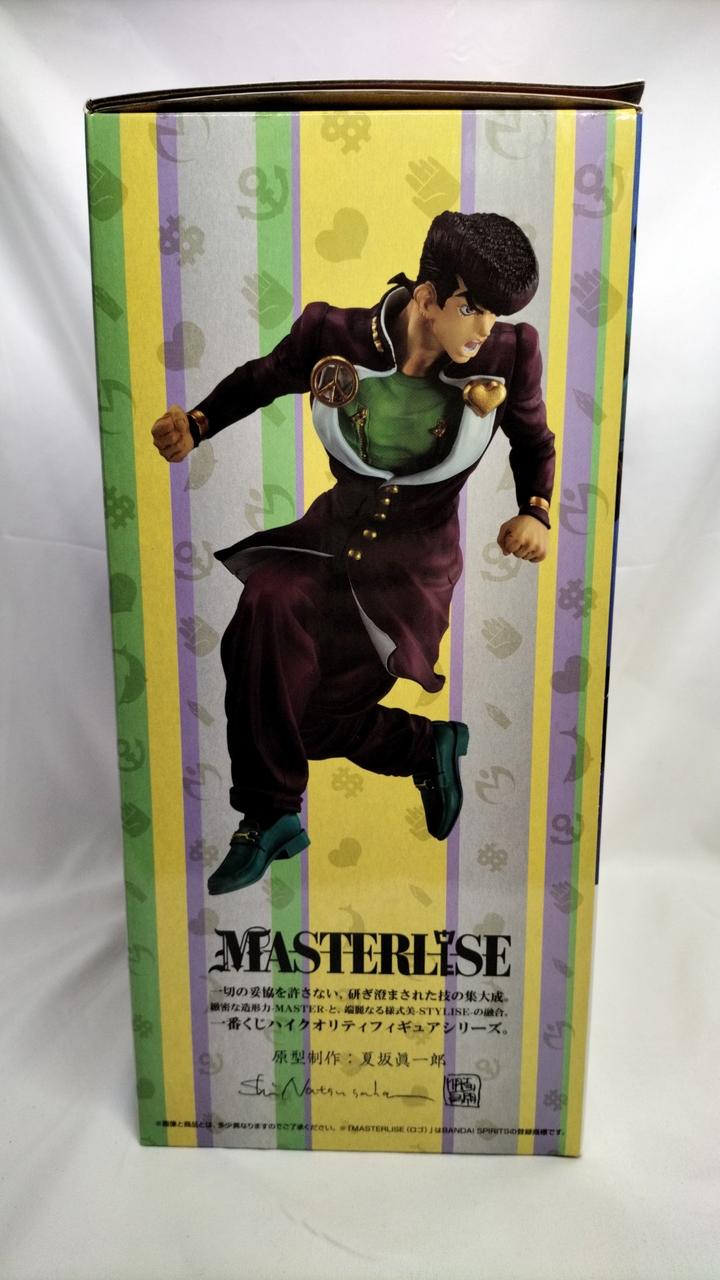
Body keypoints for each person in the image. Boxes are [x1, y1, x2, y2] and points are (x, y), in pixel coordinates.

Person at [151, 211, 555, 895]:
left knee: (301, 717)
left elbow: (535, 442)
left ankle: (423, 746)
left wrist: (534, 510)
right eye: (472, 308)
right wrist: (198, 422)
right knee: (266, 607)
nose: (485, 329)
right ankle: (268, 816)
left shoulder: (509, 354)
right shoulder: (333, 334)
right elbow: (265, 376)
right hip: (327, 542)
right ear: (428, 298)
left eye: (496, 314)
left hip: (409, 575)